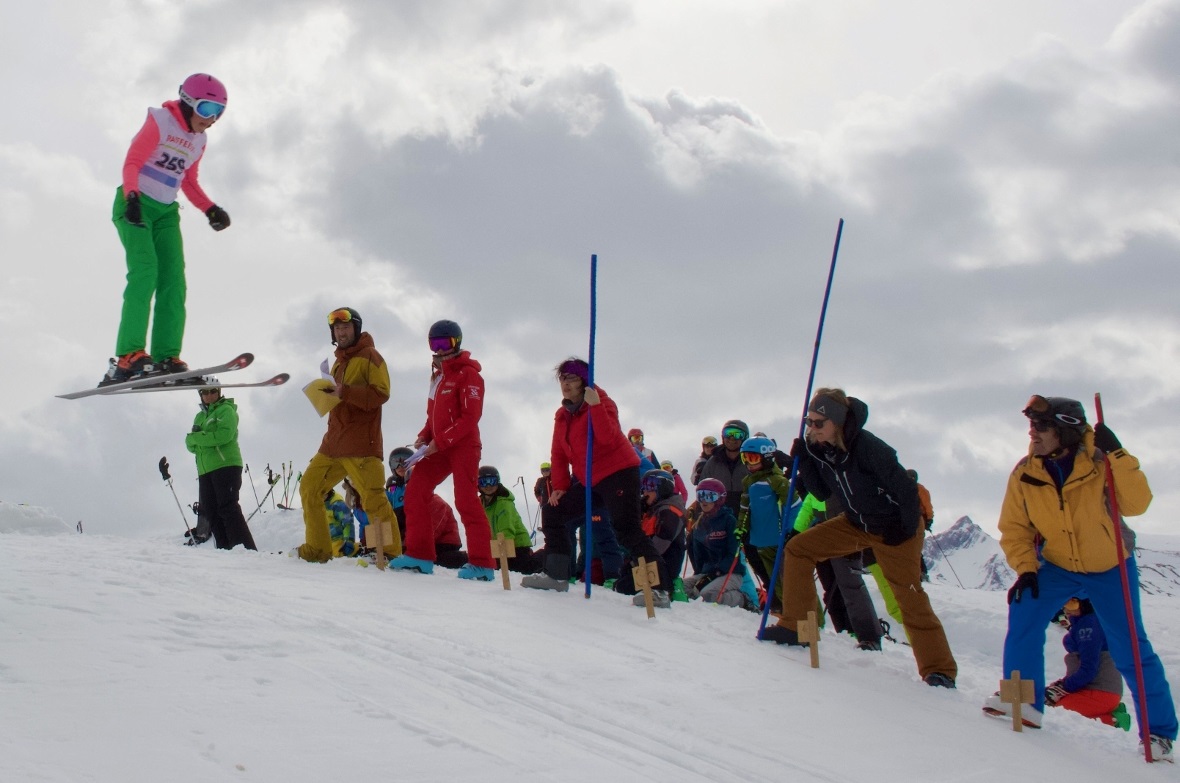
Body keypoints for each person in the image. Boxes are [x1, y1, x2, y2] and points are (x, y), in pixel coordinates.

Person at [982, 395, 1175, 759]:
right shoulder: (1026, 471)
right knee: (1024, 614)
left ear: (1066, 430)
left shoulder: (1102, 463)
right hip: (1056, 564)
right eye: (1031, 427)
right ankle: (1024, 705)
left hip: (1110, 564)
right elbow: (1014, 527)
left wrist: (1118, 454)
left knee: (1130, 646)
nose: (1032, 434)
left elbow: (1138, 503)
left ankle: (1159, 734)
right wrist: (1026, 569)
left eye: (1041, 427)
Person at [764, 388, 958, 690]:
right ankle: (797, 627)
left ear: (838, 423)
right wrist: (803, 464)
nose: (811, 429)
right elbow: (822, 493)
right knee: (799, 549)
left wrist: (904, 528)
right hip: (857, 522)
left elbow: (906, 492)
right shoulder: (819, 448)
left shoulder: (869, 448)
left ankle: (940, 670)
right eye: (809, 422)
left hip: (896, 527)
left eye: (819, 423)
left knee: (907, 593)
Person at [102, 74, 232, 385]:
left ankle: (165, 357)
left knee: (174, 280)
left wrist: (210, 208)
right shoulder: (161, 122)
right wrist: (132, 196)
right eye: (207, 108)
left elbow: (188, 180)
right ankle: (128, 355)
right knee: (145, 271)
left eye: (219, 111)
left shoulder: (199, 140)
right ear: (188, 103)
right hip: (135, 205)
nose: (212, 119)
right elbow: (132, 162)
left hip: (166, 213)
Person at [522, 358, 670, 602]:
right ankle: (557, 576)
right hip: (590, 480)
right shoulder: (562, 415)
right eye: (562, 378)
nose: (565, 384)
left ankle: (658, 588)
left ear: (585, 382)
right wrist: (559, 487)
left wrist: (596, 406)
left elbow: (607, 438)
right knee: (554, 512)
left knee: (627, 530)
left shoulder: (603, 402)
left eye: (572, 378)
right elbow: (558, 453)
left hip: (618, 473)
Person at [390, 320, 495, 581]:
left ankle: (482, 563)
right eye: (434, 344)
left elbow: (470, 417)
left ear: (457, 343)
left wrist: (440, 441)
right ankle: (420, 555)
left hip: (462, 445)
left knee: (466, 499)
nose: (440, 349)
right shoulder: (438, 376)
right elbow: (432, 417)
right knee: (415, 491)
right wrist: (424, 437)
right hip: (438, 446)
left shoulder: (469, 375)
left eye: (444, 343)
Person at [294, 308, 402, 563]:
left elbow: (381, 394)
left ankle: (387, 553)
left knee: (374, 499)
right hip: (333, 442)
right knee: (310, 488)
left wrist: (345, 392)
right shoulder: (339, 361)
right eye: (337, 329)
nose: (341, 333)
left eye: (346, 328)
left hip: (362, 443)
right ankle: (317, 550)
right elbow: (340, 395)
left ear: (356, 328)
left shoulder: (371, 356)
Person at [791, 491, 883, 650]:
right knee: (831, 588)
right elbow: (806, 510)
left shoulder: (840, 483)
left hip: (846, 537)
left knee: (851, 586)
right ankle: (844, 630)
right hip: (824, 538)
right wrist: (796, 532)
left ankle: (869, 636)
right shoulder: (815, 489)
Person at [184, 384, 256, 550]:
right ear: (200, 395)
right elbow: (189, 444)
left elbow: (224, 436)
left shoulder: (226, 410)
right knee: (211, 511)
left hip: (226, 465)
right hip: (205, 469)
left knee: (228, 507)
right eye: (205, 392)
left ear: (219, 392)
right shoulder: (199, 417)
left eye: (213, 391)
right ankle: (225, 550)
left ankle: (245, 550)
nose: (209, 396)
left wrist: (198, 438)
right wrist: (200, 439)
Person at [1044, 598, 1130, 730]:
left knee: (1059, 714)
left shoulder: (1088, 626)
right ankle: (1107, 712)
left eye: (1073, 605)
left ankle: (1115, 720)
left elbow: (1089, 670)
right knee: (1049, 704)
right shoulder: (1083, 623)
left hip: (1100, 692)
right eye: (1065, 605)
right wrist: (1062, 685)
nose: (1067, 610)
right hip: (1091, 689)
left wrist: (1064, 687)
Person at [612, 469, 686, 608]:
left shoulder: (670, 511)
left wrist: (637, 562)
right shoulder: (652, 510)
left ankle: (662, 591)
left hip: (664, 564)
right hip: (650, 563)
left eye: (650, 486)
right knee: (622, 583)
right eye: (644, 487)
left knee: (625, 586)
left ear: (663, 487)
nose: (645, 492)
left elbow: (661, 543)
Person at [687, 478, 755, 608]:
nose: (704, 501)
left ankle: (743, 600)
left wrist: (716, 573)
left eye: (709, 496)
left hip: (731, 573)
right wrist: (699, 577)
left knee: (708, 594)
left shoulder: (729, 520)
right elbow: (699, 557)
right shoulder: (699, 525)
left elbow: (733, 553)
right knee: (683, 588)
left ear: (719, 499)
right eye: (700, 496)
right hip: (709, 573)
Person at [478, 466, 542, 574]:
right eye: (484, 482)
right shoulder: (480, 504)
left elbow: (506, 530)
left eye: (492, 481)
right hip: (498, 546)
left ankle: (545, 556)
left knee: (519, 569)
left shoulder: (503, 503)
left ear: (498, 482)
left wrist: (502, 555)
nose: (488, 486)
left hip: (516, 545)